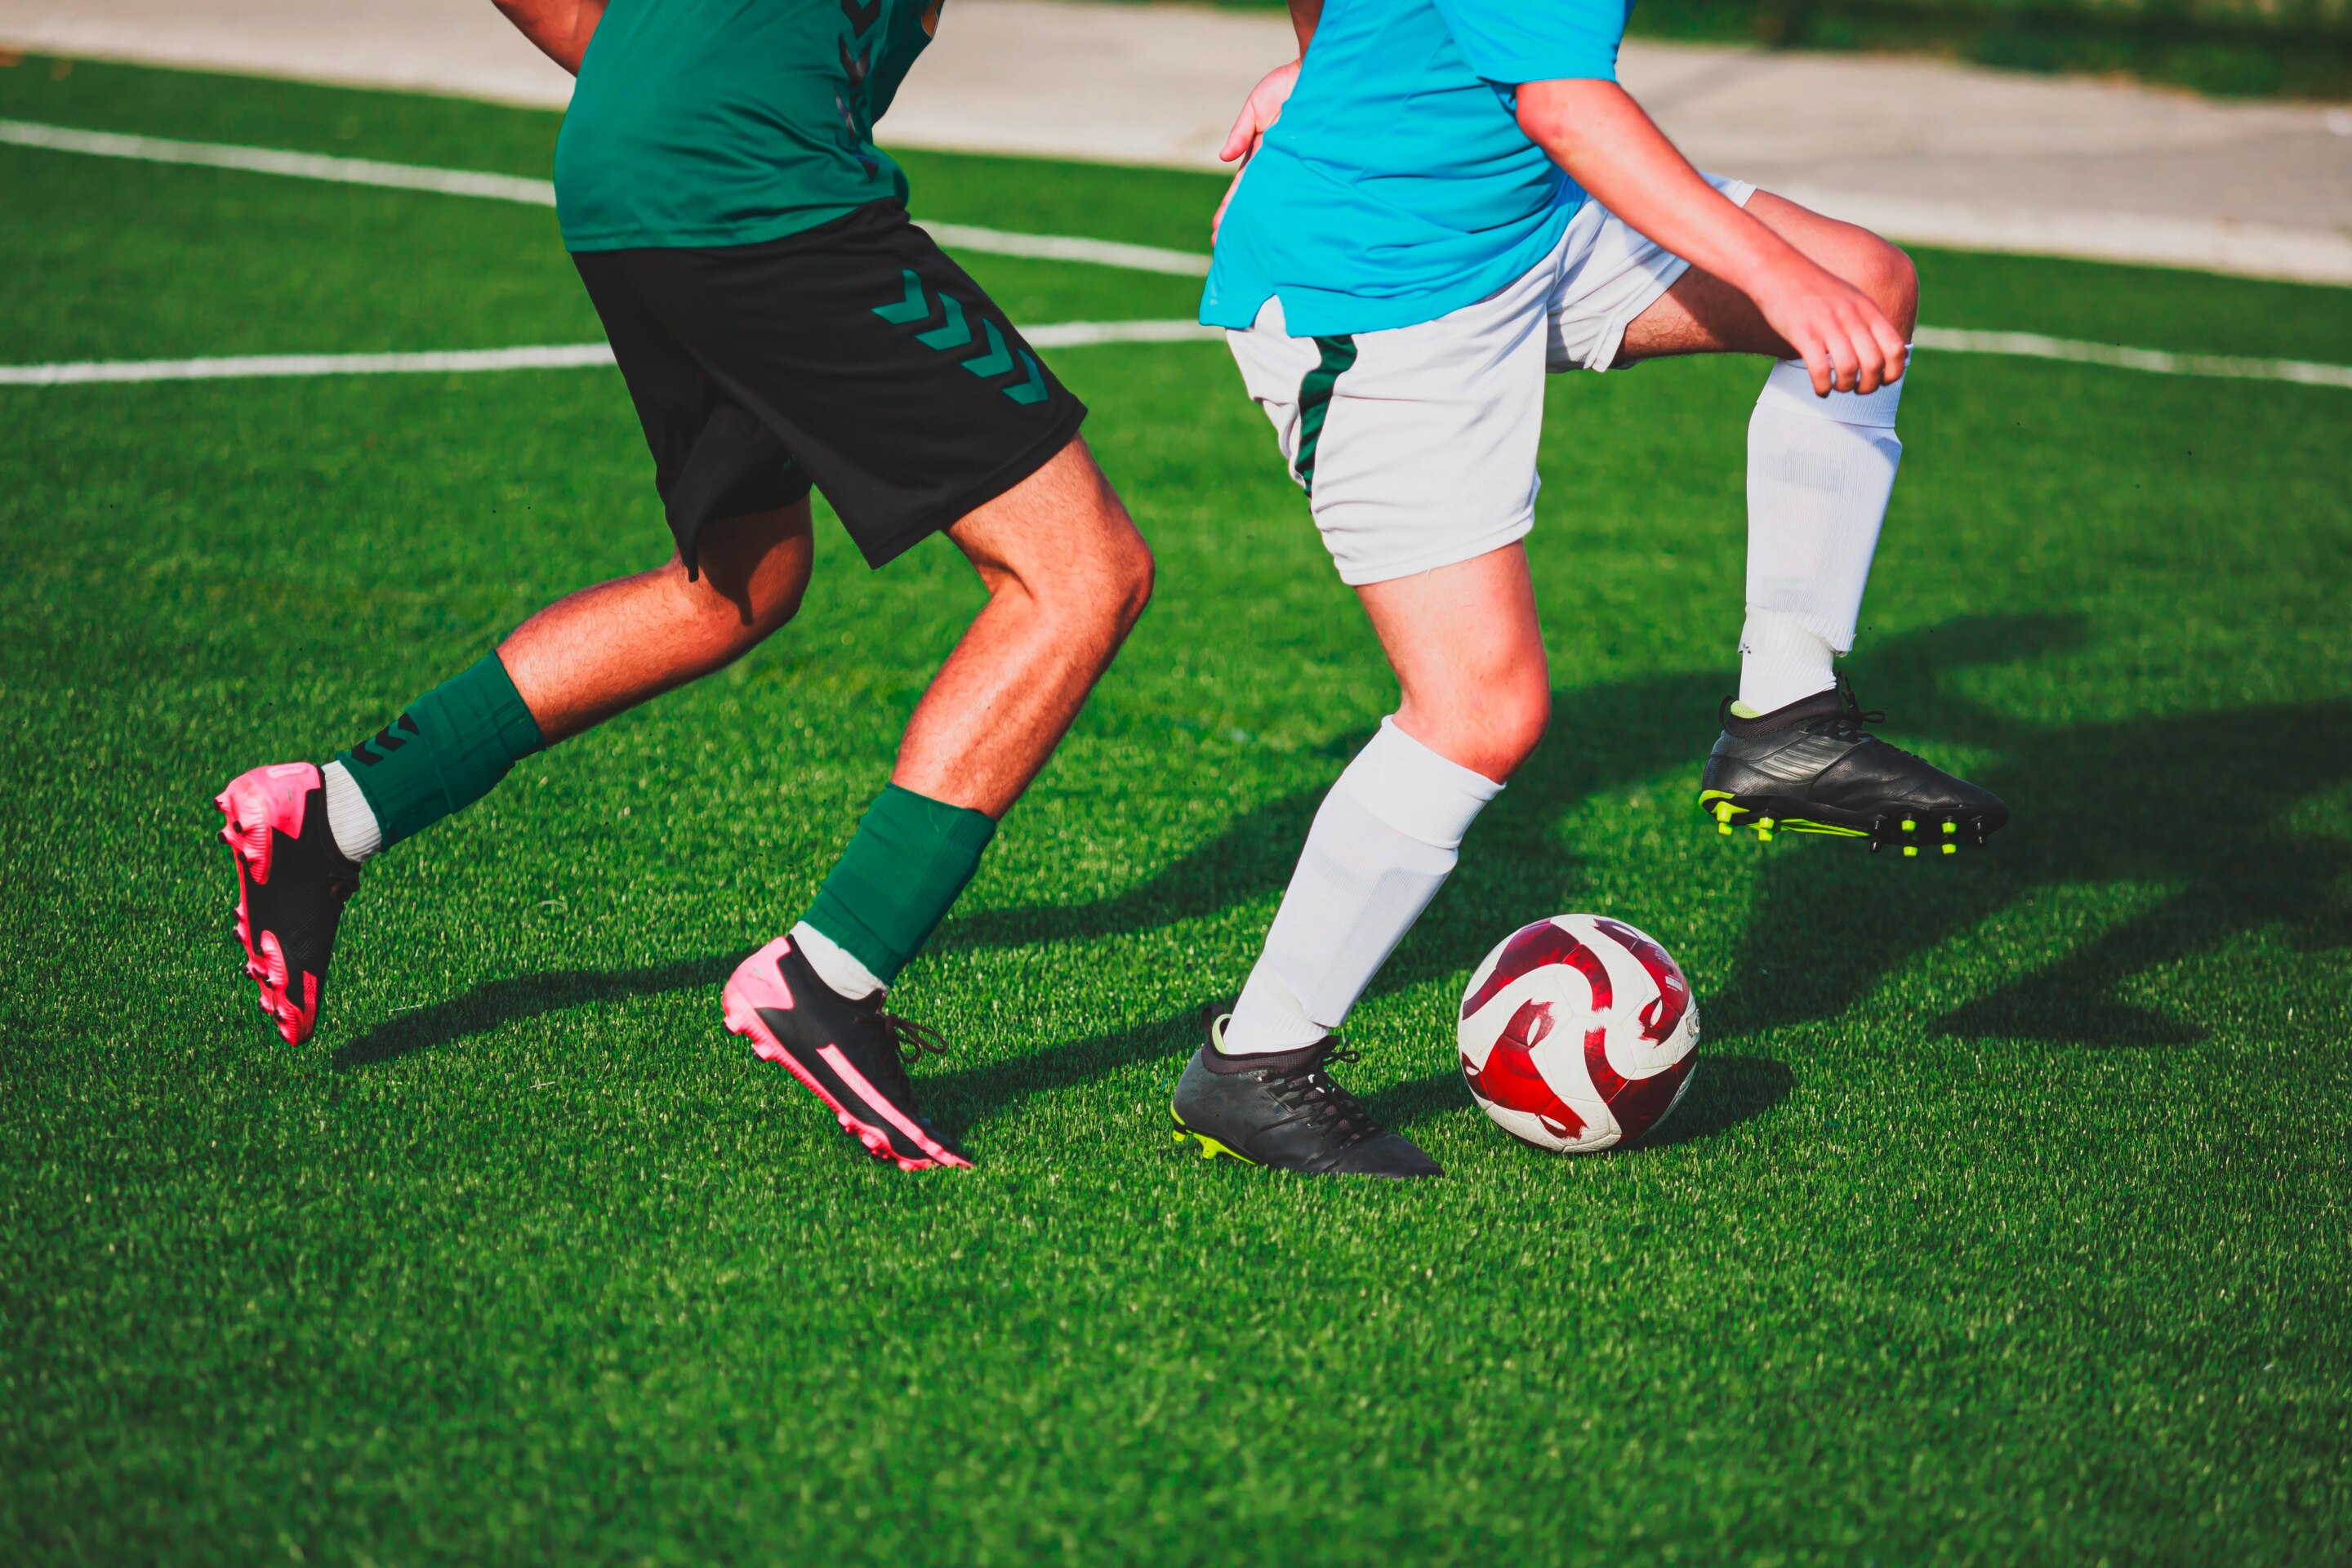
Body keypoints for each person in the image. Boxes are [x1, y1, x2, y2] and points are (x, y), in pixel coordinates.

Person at [215, 0, 1154, 1172]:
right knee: (1081, 571)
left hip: (632, 176)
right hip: (758, 190)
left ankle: (333, 815)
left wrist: (644, 72)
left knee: (734, 586)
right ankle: (827, 978)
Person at [1169, 0, 2007, 1177]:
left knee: (1862, 277)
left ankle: (1789, 715)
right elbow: (1563, 101)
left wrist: (1324, 61)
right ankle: (1253, 1064)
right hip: (1378, 285)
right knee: (1477, 711)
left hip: (1519, 217)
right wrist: (1777, 280)